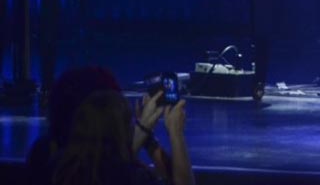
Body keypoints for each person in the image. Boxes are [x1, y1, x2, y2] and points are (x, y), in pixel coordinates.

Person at [26, 66, 195, 185]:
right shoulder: (128, 176)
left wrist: (146, 137)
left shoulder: (44, 155)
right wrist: (175, 134)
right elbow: (113, 169)